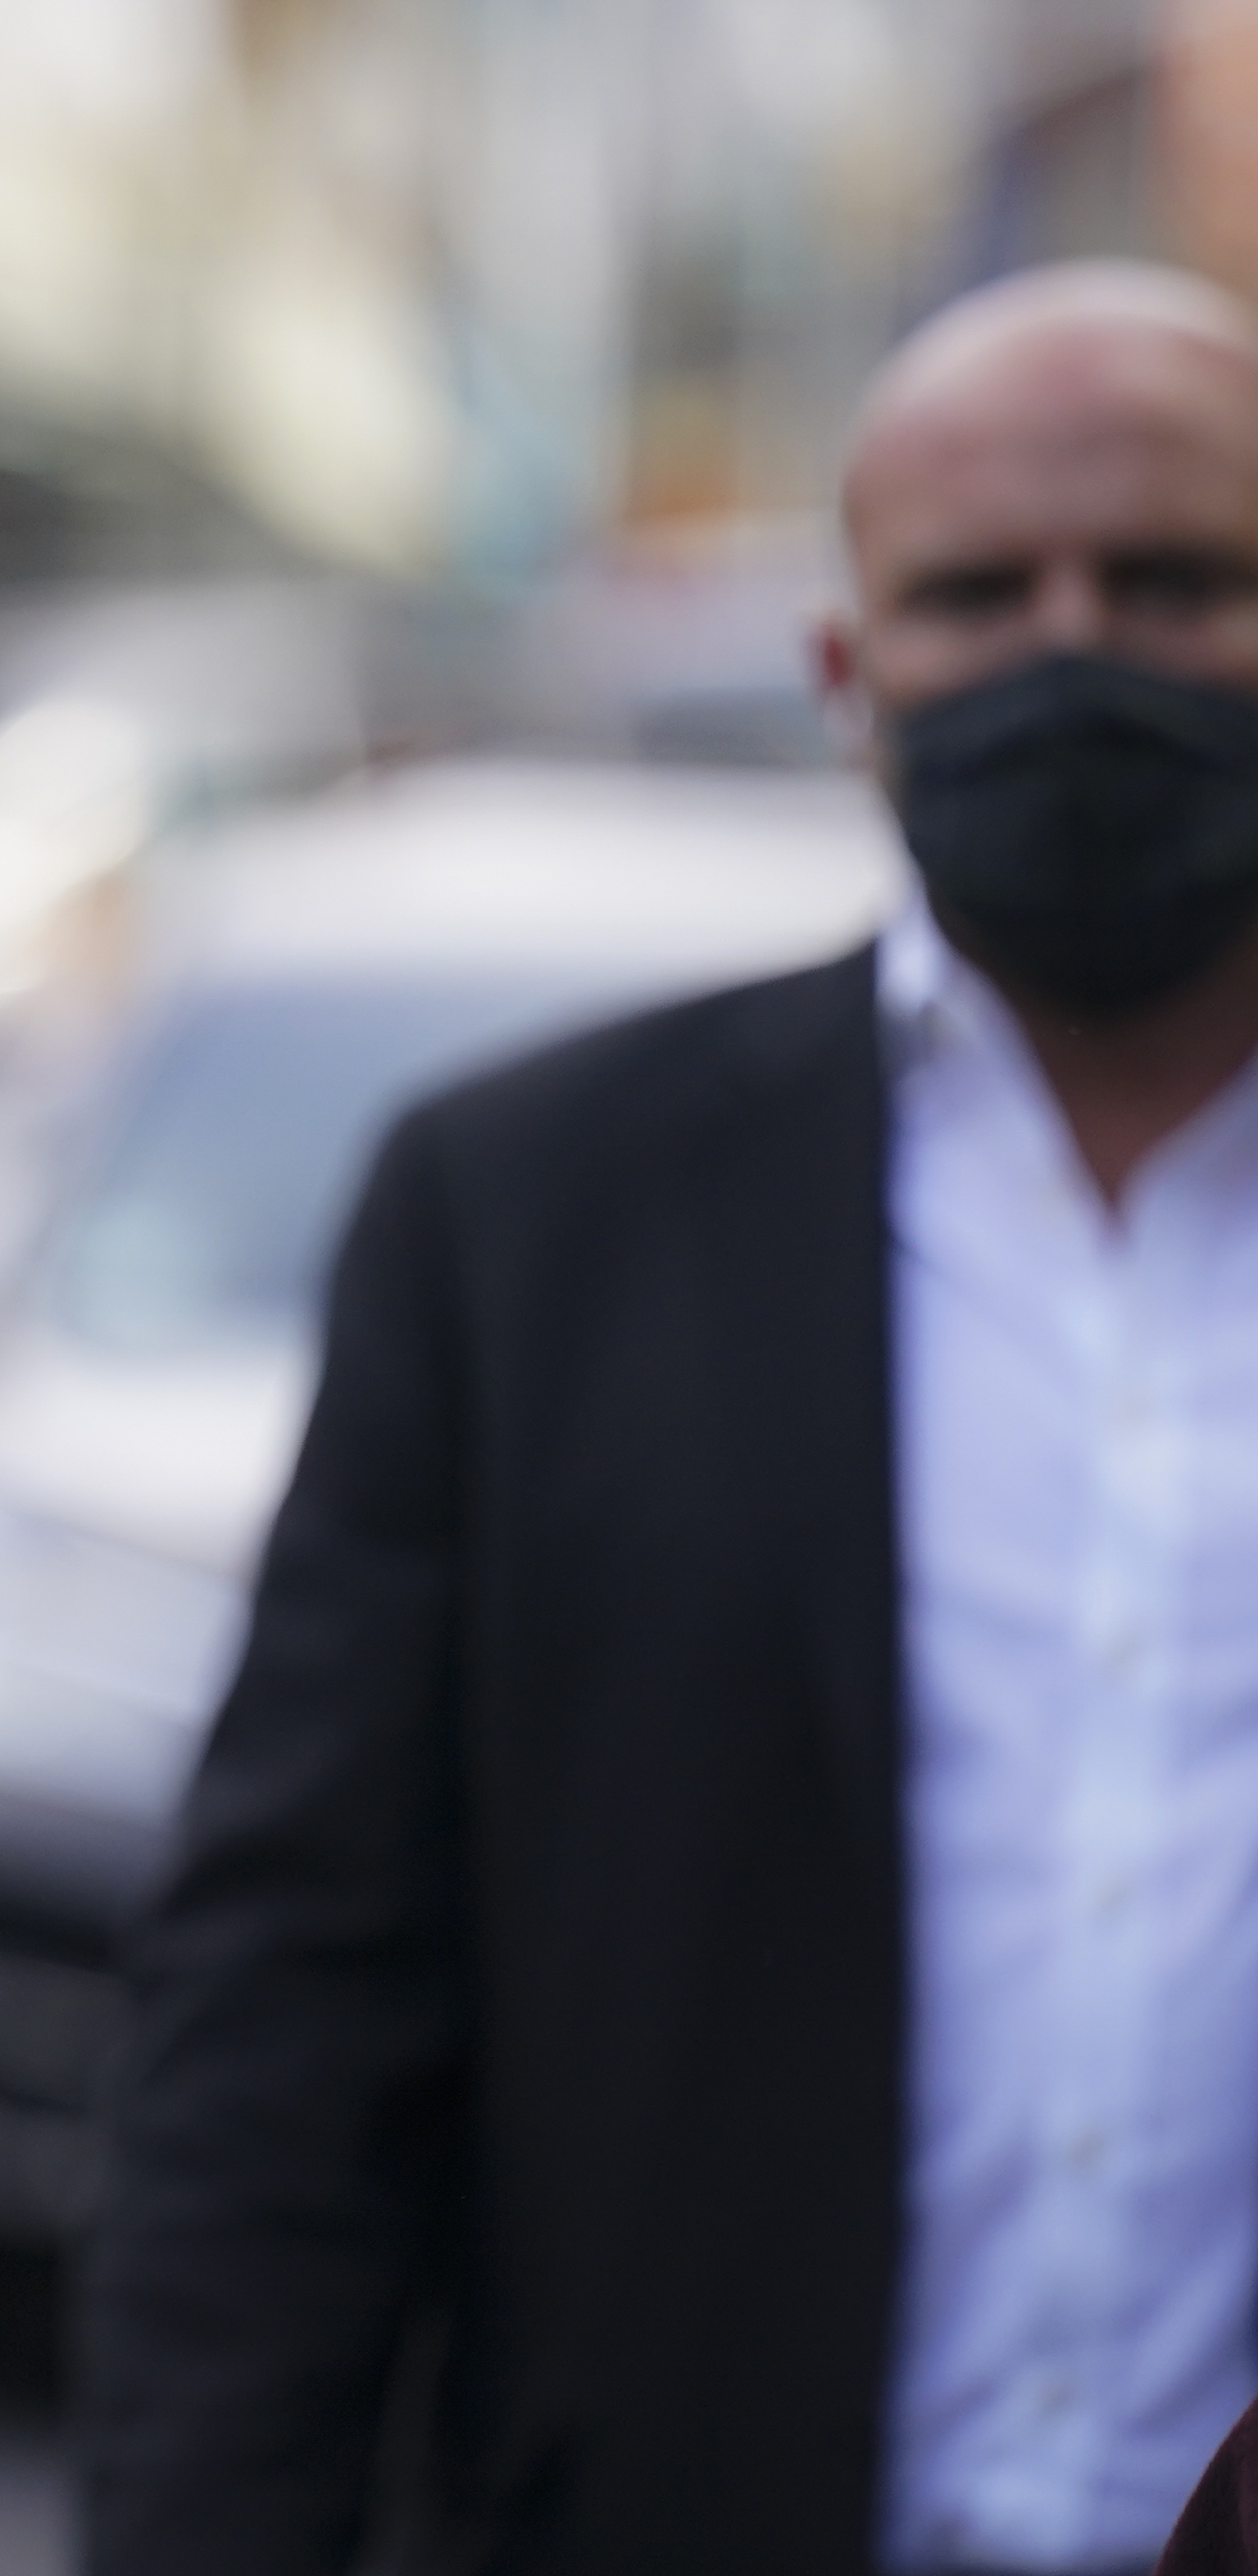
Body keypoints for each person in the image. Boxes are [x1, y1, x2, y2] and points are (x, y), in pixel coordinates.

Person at [81, 261, 1258, 2576]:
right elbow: (285, 2034)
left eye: (1174, 580)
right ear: (848, 679)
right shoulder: (531, 1220)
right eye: (973, 592)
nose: (1072, 650)